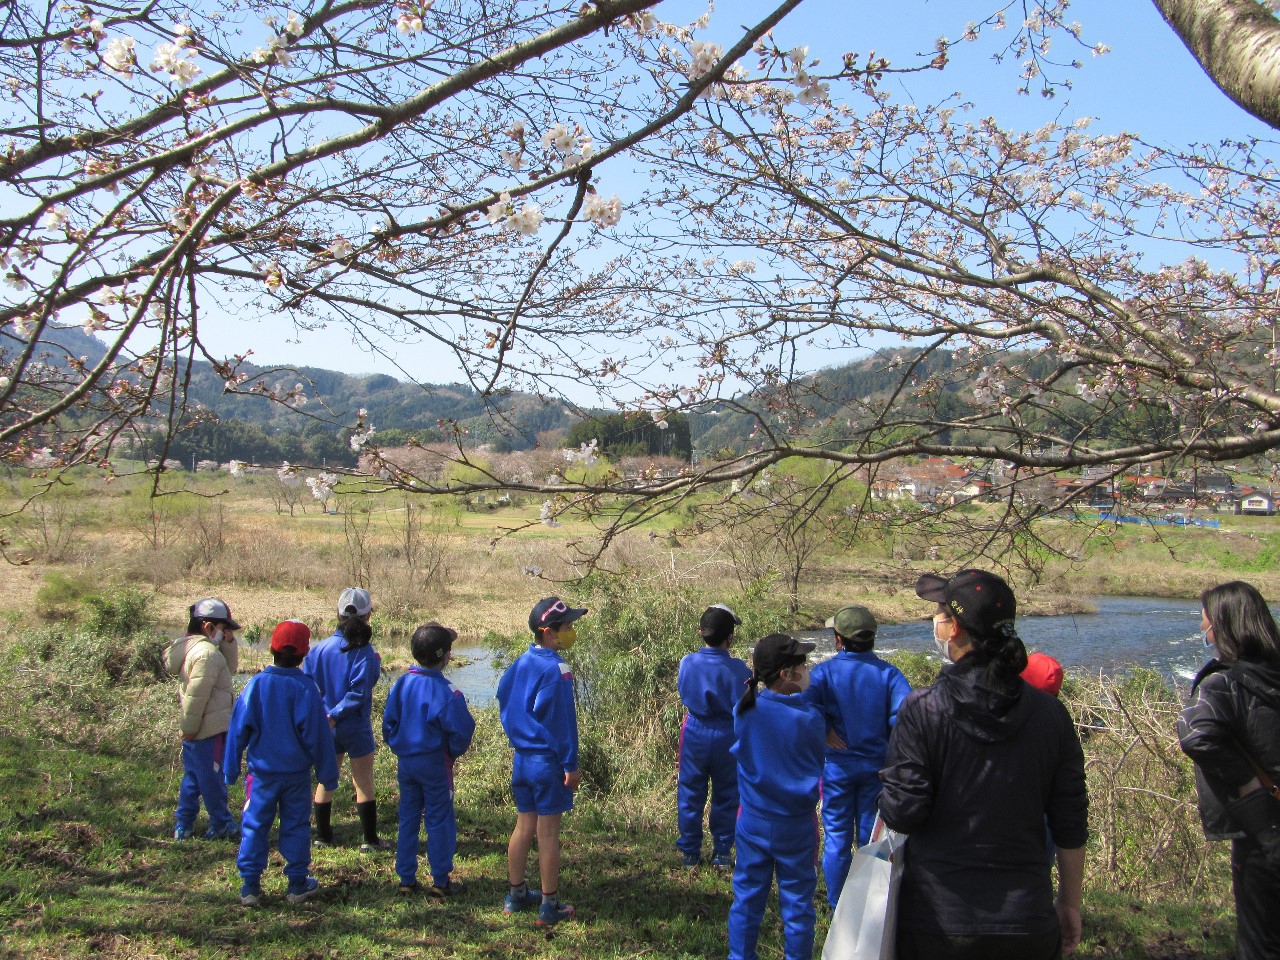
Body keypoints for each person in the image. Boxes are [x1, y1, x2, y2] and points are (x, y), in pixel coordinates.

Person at [879, 569, 1088, 960]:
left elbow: (903, 814)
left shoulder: (924, 710)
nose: (934, 623)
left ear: (954, 627)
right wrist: (1069, 902)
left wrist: (889, 784)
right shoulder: (1051, 715)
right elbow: (1070, 820)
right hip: (1027, 920)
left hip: (938, 922)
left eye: (938, 614)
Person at [1177, 581, 1280, 960]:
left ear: (1223, 628)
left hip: (1261, 827)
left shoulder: (1222, 683)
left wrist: (1247, 783)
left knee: (1260, 940)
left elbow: (1197, 736)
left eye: (1205, 627)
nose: (1204, 634)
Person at [225, 620, 339, 907]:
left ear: (272, 648)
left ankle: (250, 886)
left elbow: (238, 728)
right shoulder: (306, 689)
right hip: (296, 777)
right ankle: (297, 884)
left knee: (254, 825)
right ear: (304, 653)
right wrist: (328, 773)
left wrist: (230, 767)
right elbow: (319, 736)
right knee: (297, 826)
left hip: (260, 777)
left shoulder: (256, 685)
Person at [804, 604, 910, 910]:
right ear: (872, 639)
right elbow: (904, 717)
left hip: (836, 767)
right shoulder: (890, 675)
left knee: (836, 836)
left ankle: (838, 906)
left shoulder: (823, 672)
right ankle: (867, 906)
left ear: (839, 640)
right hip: (877, 769)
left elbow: (804, 704)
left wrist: (825, 729)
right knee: (870, 838)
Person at [727, 633, 825, 960]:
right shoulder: (810, 718)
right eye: (802, 665)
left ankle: (740, 956)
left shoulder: (745, 709)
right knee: (798, 905)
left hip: (753, 821)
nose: (807, 669)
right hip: (796, 826)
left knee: (747, 898)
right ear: (786, 673)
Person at [497, 596, 587, 927]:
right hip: (547, 762)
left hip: (522, 759)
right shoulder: (557, 670)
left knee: (523, 827)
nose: (572, 632)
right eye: (568, 627)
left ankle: (516, 894)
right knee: (548, 834)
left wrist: (518, 735)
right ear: (549, 632)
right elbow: (561, 723)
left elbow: (503, 699)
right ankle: (550, 906)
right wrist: (570, 764)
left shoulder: (520, 663)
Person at [383, 621, 476, 897]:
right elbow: (462, 730)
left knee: (408, 817)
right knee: (439, 818)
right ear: (446, 656)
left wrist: (400, 746)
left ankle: (406, 879)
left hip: (407, 763)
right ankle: (440, 880)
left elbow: (389, 725)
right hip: (436, 763)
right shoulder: (447, 692)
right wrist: (451, 752)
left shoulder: (401, 685)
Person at [304, 587, 387, 851]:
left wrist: (326, 716)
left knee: (326, 778)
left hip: (326, 725)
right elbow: (360, 691)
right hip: (355, 725)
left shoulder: (318, 650)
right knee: (362, 780)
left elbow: (308, 687)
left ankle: (323, 836)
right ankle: (369, 840)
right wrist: (338, 714)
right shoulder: (363, 651)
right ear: (368, 616)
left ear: (338, 614)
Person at [676, 603, 752, 868]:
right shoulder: (740, 670)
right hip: (727, 733)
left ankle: (689, 851)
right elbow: (746, 707)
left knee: (689, 790)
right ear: (729, 637)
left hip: (694, 729)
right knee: (728, 793)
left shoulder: (688, 662)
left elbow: (683, 691)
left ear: (701, 632)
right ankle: (721, 851)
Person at [168, 597, 241, 841]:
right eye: (223, 629)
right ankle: (221, 823)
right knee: (211, 778)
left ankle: (184, 823)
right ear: (208, 626)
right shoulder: (207, 654)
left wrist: (229, 643)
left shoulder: (197, 649)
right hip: (207, 728)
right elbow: (197, 696)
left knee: (193, 777)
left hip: (200, 727)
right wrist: (189, 728)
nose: (224, 634)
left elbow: (228, 669)